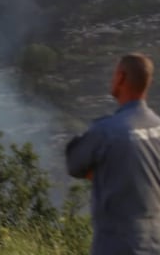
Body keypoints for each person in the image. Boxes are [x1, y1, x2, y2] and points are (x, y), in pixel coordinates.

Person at [65, 53, 160, 255]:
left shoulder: (105, 132)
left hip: (118, 245)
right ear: (148, 82)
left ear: (121, 77)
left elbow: (74, 164)